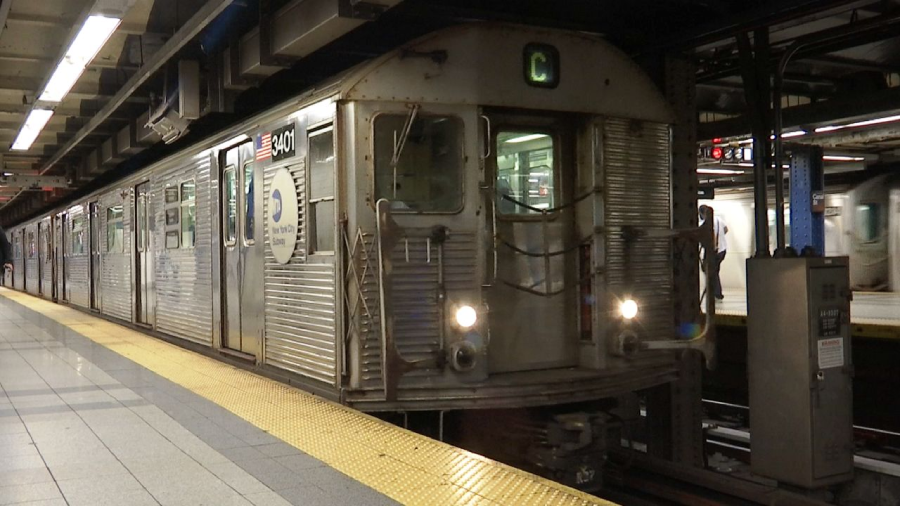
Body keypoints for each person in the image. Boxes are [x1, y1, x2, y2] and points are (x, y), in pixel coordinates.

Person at [699, 205, 727, 300]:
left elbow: (711, 235)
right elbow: (726, 229)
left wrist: (713, 246)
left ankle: (717, 292)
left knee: (711, 271)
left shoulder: (705, 223)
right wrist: (721, 237)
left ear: (703, 214)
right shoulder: (719, 219)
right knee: (714, 271)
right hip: (723, 250)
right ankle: (713, 290)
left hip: (714, 250)